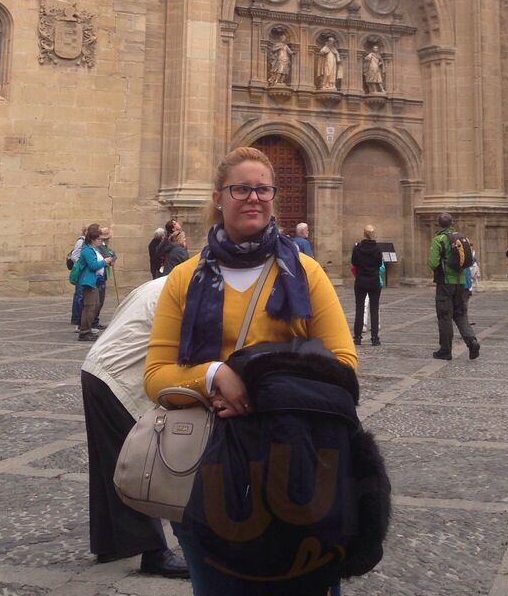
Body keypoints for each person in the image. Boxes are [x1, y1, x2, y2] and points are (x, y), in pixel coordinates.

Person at [144, 145, 361, 594]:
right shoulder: (184, 278)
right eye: (241, 189)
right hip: (208, 468)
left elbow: (344, 368)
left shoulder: (306, 273)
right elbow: (156, 375)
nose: (254, 198)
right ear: (218, 197)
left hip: (297, 461)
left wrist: (258, 387)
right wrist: (215, 376)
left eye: (263, 189)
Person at [81, 273, 189, 578]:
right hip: (121, 376)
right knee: (140, 465)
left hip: (97, 368)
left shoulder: (162, 284)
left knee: (109, 464)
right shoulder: (186, 291)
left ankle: (109, 544)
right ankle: (154, 552)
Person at [428, 213, 480, 361]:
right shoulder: (461, 237)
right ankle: (472, 341)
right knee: (460, 313)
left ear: (438, 224)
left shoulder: (438, 239)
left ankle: (445, 350)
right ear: (452, 223)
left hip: (445, 283)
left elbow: (432, 262)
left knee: (445, 315)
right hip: (461, 282)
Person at [77, 224, 113, 342]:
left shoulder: (94, 249)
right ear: (92, 240)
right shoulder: (87, 250)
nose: (100, 241)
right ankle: (84, 332)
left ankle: (88, 330)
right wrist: (105, 261)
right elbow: (93, 265)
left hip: (95, 281)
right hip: (89, 281)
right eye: (98, 239)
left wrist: (107, 260)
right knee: (90, 307)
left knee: (95, 305)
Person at [351, 225, 383, 346]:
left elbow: (354, 262)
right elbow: (379, 263)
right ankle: (375, 338)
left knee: (359, 309)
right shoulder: (377, 249)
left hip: (360, 281)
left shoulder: (357, 248)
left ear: (364, 234)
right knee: (374, 309)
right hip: (374, 281)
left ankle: (357, 337)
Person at [92, 226, 117, 330]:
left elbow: (112, 254)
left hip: (102, 275)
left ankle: (95, 320)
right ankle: (93, 321)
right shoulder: (100, 246)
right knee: (98, 300)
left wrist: (113, 257)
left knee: (99, 300)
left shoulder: (104, 246)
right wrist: (112, 258)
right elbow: (108, 256)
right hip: (99, 276)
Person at [69, 224, 87, 332]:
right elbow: (74, 256)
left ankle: (78, 319)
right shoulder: (81, 241)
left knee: (80, 295)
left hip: (84, 272)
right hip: (81, 272)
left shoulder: (87, 242)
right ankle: (76, 320)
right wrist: (82, 265)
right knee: (79, 295)